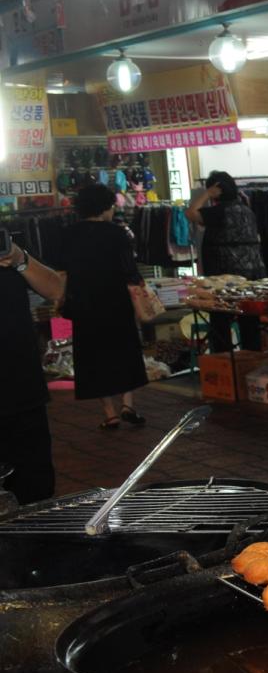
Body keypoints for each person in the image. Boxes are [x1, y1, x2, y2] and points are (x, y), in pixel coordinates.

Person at [60, 183, 149, 430]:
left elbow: (63, 270)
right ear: (106, 207)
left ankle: (109, 413)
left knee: (93, 356)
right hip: (115, 301)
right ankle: (128, 405)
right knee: (124, 351)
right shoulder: (117, 233)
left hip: (84, 303)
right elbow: (129, 271)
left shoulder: (68, 233)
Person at [0, 237, 64, 503]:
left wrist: (18, 258)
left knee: (35, 493)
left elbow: (57, 289)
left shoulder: (7, 244)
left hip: (22, 392)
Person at [186, 171, 264, 279]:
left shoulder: (219, 211)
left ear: (216, 190)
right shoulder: (247, 210)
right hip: (254, 270)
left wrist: (207, 193)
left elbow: (190, 213)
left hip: (227, 274)